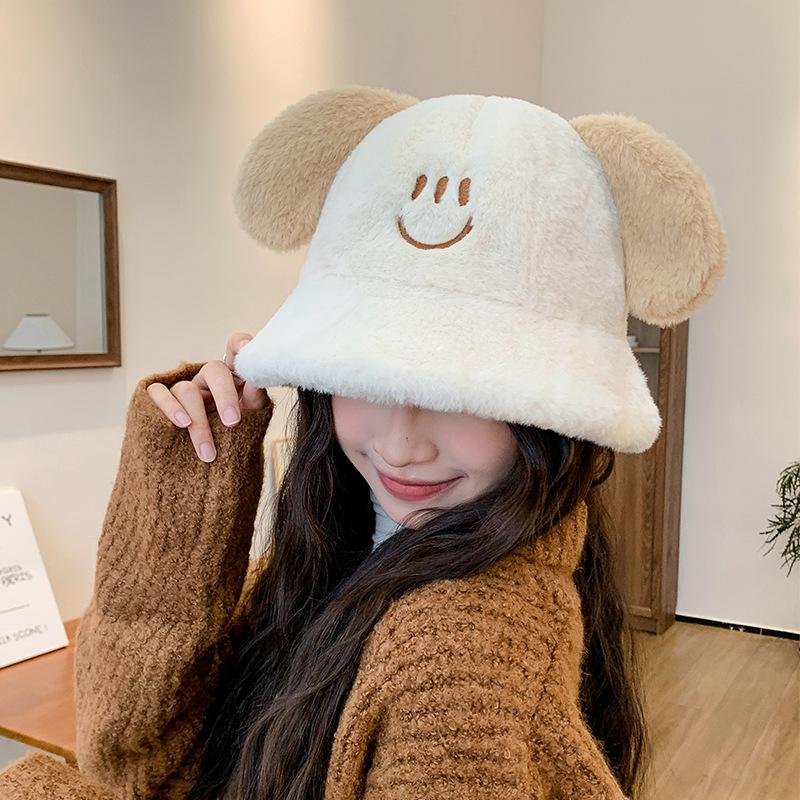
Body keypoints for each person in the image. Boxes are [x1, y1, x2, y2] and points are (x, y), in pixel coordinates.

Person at [0, 85, 726, 800]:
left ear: (550, 415)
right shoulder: (342, 548)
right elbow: (140, 765)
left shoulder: (458, 653)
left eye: (463, 392)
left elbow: (119, 779)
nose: (402, 444)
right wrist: (188, 477)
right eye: (368, 376)